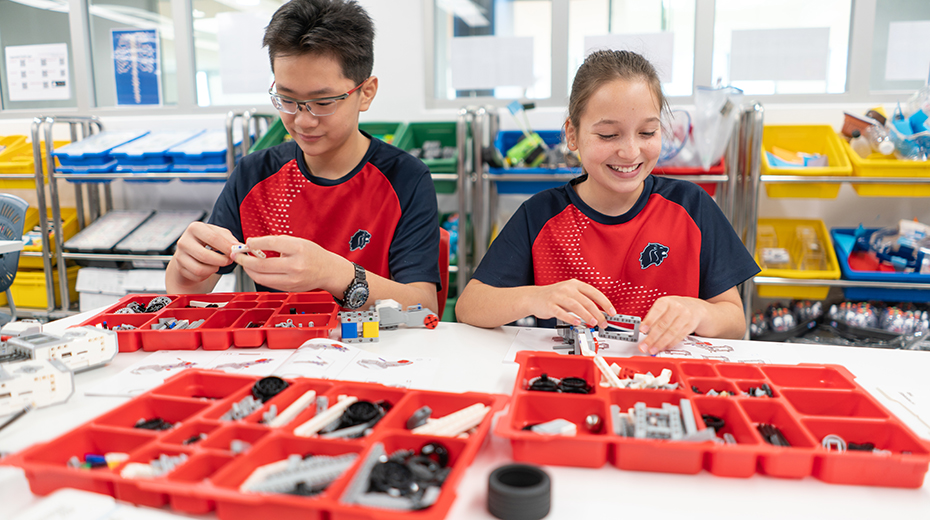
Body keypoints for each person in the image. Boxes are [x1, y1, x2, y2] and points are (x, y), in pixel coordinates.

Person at [455, 50, 759, 354]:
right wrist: (535, 297)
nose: (630, 151)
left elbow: (734, 321)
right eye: (609, 135)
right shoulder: (540, 216)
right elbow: (469, 306)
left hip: (664, 375)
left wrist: (700, 312)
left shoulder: (691, 206)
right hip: (574, 375)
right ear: (572, 134)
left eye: (647, 132)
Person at [166, 0, 441, 313]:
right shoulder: (254, 176)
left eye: (323, 103)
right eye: (287, 99)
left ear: (365, 93)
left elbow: (424, 306)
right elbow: (187, 295)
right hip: (279, 340)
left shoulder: (405, 178)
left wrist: (333, 273)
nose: (303, 120)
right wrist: (185, 267)